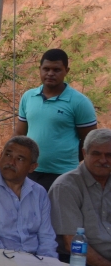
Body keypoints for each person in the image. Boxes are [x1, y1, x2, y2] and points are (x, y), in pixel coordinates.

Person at [14, 48, 97, 191]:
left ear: (66, 71)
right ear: (40, 69)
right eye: (46, 69)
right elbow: (20, 134)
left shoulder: (79, 102)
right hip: (29, 171)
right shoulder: (28, 97)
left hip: (63, 175)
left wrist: (67, 161)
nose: (50, 73)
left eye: (56, 70)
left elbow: (90, 141)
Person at [49, 128, 111, 266]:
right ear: (84, 153)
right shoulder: (66, 186)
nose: (103, 160)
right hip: (79, 262)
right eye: (96, 154)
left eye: (109, 155)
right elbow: (72, 244)